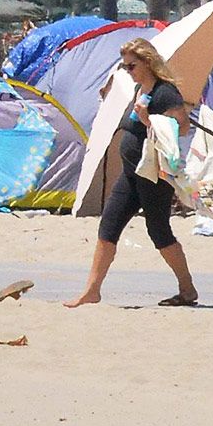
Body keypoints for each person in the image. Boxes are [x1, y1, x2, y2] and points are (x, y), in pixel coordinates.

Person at [67, 38, 201, 308]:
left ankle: (187, 289)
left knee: (159, 232)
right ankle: (92, 290)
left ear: (147, 62)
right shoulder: (141, 89)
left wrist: (147, 120)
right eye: (125, 66)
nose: (128, 71)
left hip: (154, 175)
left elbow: (182, 128)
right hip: (132, 172)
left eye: (132, 66)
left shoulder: (166, 93)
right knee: (108, 226)